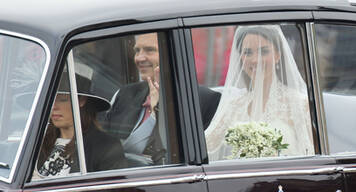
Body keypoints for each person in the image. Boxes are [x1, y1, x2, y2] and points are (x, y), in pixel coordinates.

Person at [104, 32, 221, 166]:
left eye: (150, 50)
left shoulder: (204, 99)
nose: (139, 58)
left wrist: (158, 111)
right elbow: (105, 146)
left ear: (171, 55)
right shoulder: (124, 94)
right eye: (137, 50)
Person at [205, 25, 314, 161]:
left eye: (264, 51)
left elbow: (312, 156)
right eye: (248, 53)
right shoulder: (233, 106)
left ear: (278, 55)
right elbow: (205, 148)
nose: (255, 60)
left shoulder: (299, 104)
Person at [35, 65, 127, 179]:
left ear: (81, 100)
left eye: (62, 99)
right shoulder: (40, 141)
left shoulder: (106, 147)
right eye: (51, 99)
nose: (54, 106)